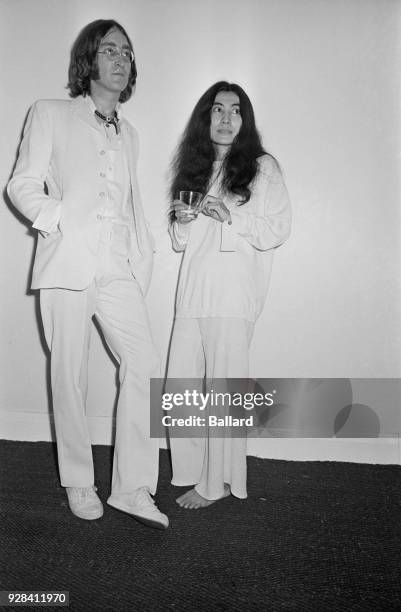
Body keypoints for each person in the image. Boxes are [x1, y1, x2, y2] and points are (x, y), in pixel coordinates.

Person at [7, 19, 168, 529]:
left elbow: (126, 201)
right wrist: (58, 222)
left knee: (143, 361)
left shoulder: (132, 134)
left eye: (128, 52)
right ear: (89, 61)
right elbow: (21, 185)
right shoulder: (51, 113)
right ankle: (79, 480)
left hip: (115, 266)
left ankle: (133, 487)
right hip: (67, 263)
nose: (122, 60)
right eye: (111, 50)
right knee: (69, 376)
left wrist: (140, 253)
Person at [167, 81, 291, 509]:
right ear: (206, 118)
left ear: (245, 119)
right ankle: (190, 471)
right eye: (216, 110)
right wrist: (181, 219)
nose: (224, 118)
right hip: (192, 291)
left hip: (233, 295)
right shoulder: (195, 169)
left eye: (234, 111)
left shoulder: (262, 167)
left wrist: (229, 218)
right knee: (180, 386)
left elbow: (277, 229)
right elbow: (180, 242)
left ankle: (217, 482)